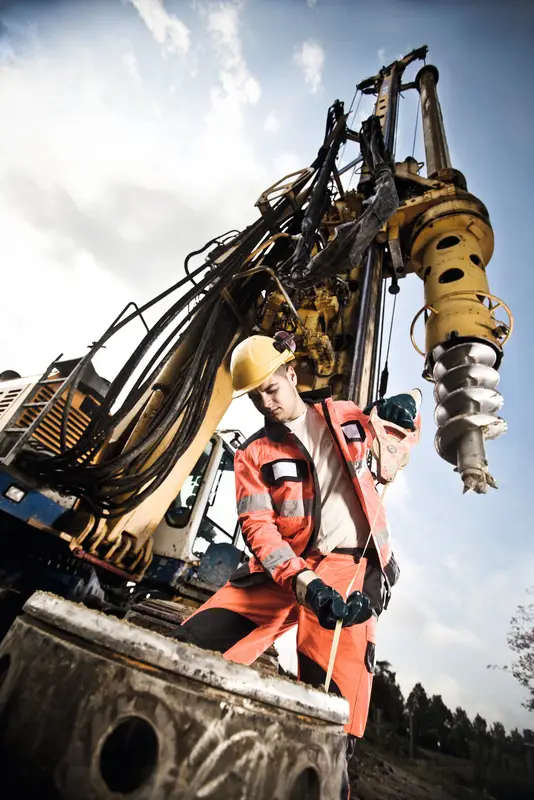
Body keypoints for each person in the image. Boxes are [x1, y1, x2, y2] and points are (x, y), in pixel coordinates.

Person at [176, 333, 420, 798]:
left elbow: (401, 436)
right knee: (188, 646)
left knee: (329, 721)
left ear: (292, 373)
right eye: (255, 397)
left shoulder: (349, 417)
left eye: (272, 389)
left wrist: (403, 409)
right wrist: (303, 581)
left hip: (348, 570)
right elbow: (259, 528)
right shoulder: (254, 454)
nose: (266, 403)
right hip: (281, 572)